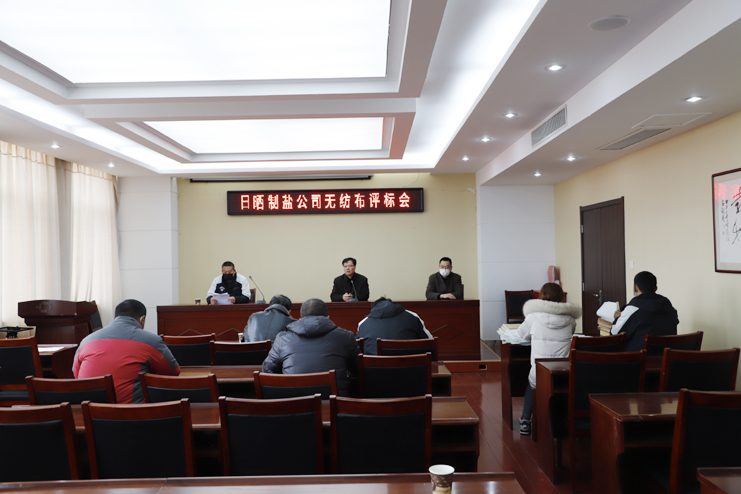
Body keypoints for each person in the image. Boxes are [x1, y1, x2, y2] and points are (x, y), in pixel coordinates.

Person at [72, 299, 180, 403]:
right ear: (142, 320)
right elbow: (172, 373)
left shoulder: (86, 341)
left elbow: (76, 374)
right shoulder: (152, 341)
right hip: (131, 412)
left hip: (88, 411)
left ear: (114, 318)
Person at [515, 283, 581, 435]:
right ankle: (562, 420)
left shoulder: (533, 316)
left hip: (540, 372)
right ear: (561, 297)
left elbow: (521, 334)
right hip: (563, 373)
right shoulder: (570, 319)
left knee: (532, 381)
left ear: (541, 295)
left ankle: (525, 420)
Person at [262, 298, 360, 395]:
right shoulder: (346, 337)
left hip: (294, 401)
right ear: (328, 317)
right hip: (335, 401)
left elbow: (267, 370)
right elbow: (358, 370)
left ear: (300, 319)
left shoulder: (283, 339)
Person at [611, 271, 679, 352]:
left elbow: (615, 335)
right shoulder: (669, 308)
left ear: (635, 287)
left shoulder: (633, 308)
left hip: (639, 358)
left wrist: (617, 318)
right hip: (666, 357)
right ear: (655, 288)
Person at [357, 297, 431, 355]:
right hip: (411, 368)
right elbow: (430, 343)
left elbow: (356, 350)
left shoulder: (363, 323)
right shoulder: (413, 317)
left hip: (374, 369)